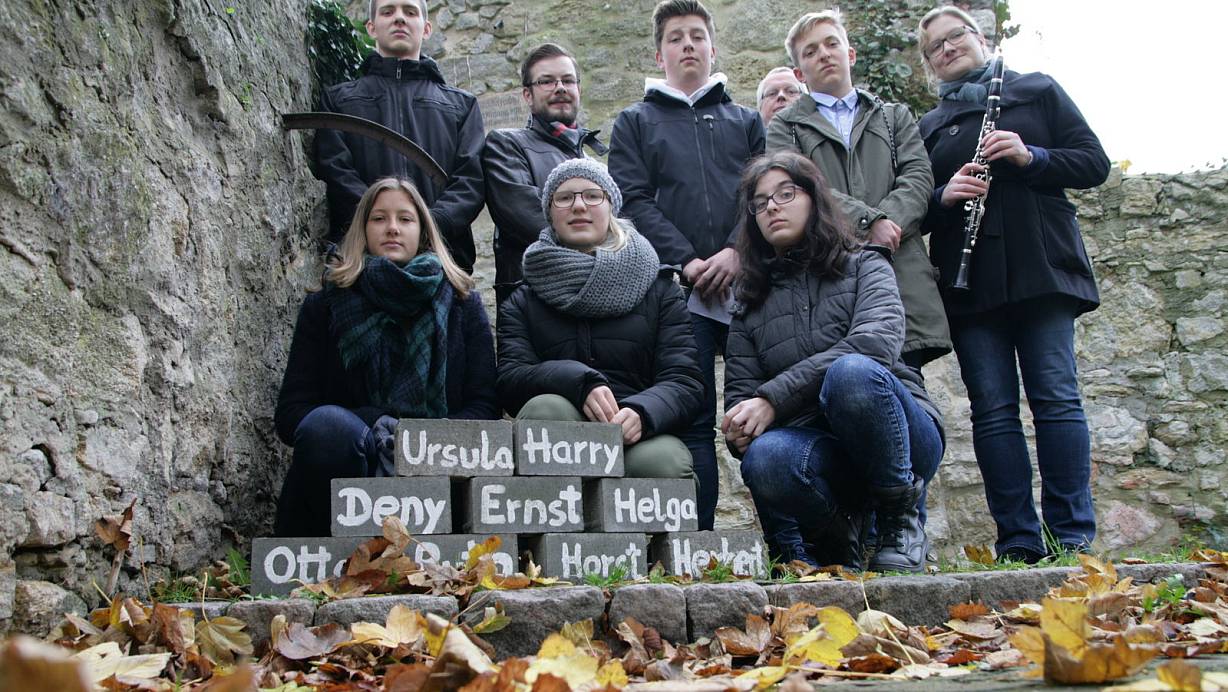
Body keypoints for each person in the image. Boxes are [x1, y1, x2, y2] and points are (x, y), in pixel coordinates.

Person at [917, 6, 1109, 563]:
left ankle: (1071, 535)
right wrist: (943, 198)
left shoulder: (1036, 91)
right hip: (970, 280)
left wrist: (1031, 156)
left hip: (1041, 265)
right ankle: (1019, 539)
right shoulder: (930, 126)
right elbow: (916, 209)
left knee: (1056, 398)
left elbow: (1093, 163)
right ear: (929, 62)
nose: (948, 49)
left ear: (980, 38)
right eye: (936, 47)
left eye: (956, 37)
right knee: (993, 410)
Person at [723, 152, 944, 572]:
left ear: (814, 199)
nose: (772, 206)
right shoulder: (749, 303)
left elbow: (875, 344)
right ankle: (840, 539)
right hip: (821, 453)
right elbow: (741, 398)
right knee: (765, 458)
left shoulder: (866, 265)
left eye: (786, 194)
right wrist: (741, 428)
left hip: (903, 438)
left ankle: (900, 520)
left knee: (852, 374)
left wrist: (773, 399)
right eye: (760, 202)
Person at [609, 0, 765, 527]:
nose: (688, 45)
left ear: (713, 46)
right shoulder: (634, 121)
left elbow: (764, 197)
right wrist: (688, 262)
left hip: (752, 288)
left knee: (762, 417)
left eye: (697, 35)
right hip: (680, 295)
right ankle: (697, 544)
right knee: (696, 421)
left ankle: (787, 548)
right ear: (660, 53)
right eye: (676, 37)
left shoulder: (746, 121)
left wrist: (734, 252)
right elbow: (631, 198)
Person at [274, 178, 497, 537]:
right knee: (327, 426)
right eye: (379, 218)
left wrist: (414, 441)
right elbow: (292, 414)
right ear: (363, 229)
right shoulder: (326, 304)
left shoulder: (461, 303)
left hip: (439, 474)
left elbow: (484, 407)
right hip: (349, 468)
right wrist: (375, 428)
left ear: (423, 231)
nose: (392, 228)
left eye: (405, 219)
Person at [497, 159, 703, 480]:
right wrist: (580, 383)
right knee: (545, 411)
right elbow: (510, 379)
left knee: (665, 464)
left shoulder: (660, 290)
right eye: (564, 198)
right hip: (562, 429)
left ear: (611, 207)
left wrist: (643, 412)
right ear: (550, 212)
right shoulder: (523, 300)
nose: (579, 206)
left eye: (593, 195)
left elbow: (684, 381)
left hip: (635, 435)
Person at [767, 10, 951, 370]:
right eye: (810, 51)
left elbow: (917, 176)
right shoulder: (784, 128)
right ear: (800, 74)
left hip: (901, 276)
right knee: (841, 387)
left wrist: (887, 225)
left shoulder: (894, 116)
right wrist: (869, 221)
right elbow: (796, 188)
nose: (823, 53)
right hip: (827, 277)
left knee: (910, 393)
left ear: (850, 55)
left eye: (831, 43)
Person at [314, 0, 485, 271]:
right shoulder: (339, 101)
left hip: (443, 258)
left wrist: (428, 225)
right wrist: (380, 222)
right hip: (362, 259)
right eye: (388, 11)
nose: (399, 18)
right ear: (371, 27)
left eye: (409, 11)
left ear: (426, 28)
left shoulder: (461, 106)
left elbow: (470, 181)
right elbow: (335, 171)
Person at [483, 43, 609, 303]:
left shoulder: (596, 165)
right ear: (527, 95)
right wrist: (597, 254)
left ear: (578, 89)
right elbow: (525, 215)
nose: (560, 88)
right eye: (547, 82)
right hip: (533, 299)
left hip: (596, 296)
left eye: (567, 80)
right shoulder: (507, 145)